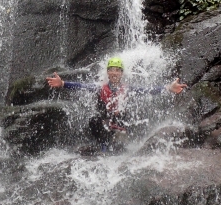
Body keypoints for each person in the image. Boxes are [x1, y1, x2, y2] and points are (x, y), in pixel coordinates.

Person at [46, 57, 187, 151]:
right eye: (112, 69)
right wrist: (63, 83)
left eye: (118, 70)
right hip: (104, 119)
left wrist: (168, 88)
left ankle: (125, 143)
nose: (114, 72)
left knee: (127, 114)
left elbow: (148, 90)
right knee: (94, 120)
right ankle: (103, 146)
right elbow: (81, 86)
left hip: (120, 120)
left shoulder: (127, 88)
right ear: (107, 72)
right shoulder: (100, 87)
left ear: (121, 73)